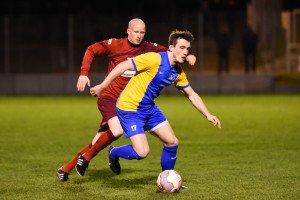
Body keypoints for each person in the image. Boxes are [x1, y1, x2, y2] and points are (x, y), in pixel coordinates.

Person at [57, 19, 196, 181]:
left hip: (129, 102)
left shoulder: (148, 48)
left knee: (99, 140)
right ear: (128, 31)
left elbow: (173, 52)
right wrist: (83, 73)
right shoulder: (115, 45)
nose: (139, 36)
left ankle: (65, 169)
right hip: (109, 97)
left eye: (142, 32)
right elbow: (91, 49)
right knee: (117, 130)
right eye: (136, 32)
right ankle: (87, 158)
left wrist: (189, 56)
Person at [90, 30, 221, 175]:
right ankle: (114, 152)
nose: (185, 52)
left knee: (172, 142)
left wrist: (208, 114)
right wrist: (103, 86)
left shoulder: (178, 72)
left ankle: (167, 178)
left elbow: (191, 95)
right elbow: (123, 66)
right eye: (182, 48)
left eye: (188, 49)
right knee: (142, 152)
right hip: (129, 108)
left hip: (148, 109)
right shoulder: (154, 59)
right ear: (171, 47)